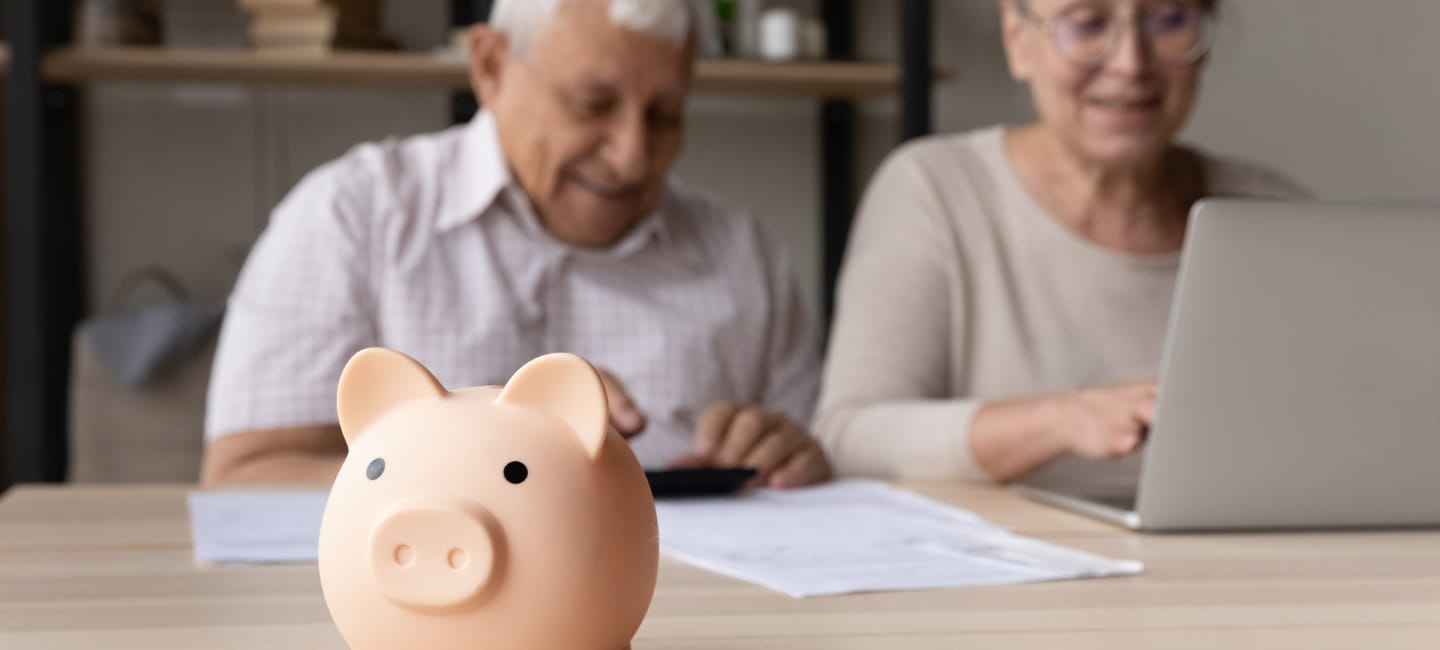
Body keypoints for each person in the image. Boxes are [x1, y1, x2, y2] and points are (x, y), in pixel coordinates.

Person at [201, 0, 831, 489]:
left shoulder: (747, 254)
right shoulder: (353, 217)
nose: (633, 154)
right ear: (490, 67)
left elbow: (815, 474)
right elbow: (244, 477)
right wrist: (498, 451)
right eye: (592, 103)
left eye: (664, 115)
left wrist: (792, 456)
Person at [815, 0, 1307, 483]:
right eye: (1088, 22)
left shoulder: (1273, 214)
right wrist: (1060, 419)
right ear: (1017, 37)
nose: (1131, 62)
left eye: (1170, 19)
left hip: (1238, 562)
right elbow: (849, 438)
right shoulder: (936, 189)